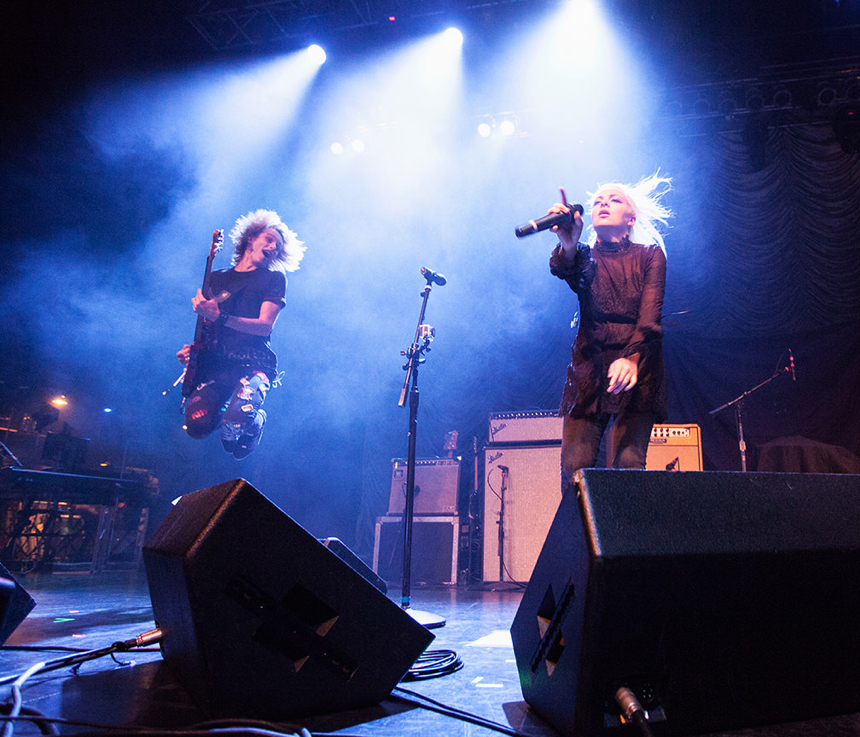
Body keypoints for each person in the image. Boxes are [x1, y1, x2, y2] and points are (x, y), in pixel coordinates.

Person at [547, 173, 672, 492]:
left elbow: (650, 316)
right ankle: (581, 540)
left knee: (628, 465)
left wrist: (631, 357)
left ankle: (626, 541)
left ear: (630, 218)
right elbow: (572, 273)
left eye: (614, 199)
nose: (603, 203)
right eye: (597, 201)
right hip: (591, 368)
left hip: (638, 366)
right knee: (575, 467)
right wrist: (569, 245)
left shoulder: (650, 255)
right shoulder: (587, 255)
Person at [176, 209, 305, 459]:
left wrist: (220, 316)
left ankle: (255, 421)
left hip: (252, 363)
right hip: (216, 363)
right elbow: (206, 327)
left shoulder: (274, 279)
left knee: (233, 428)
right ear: (251, 239)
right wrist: (191, 350)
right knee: (197, 425)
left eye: (277, 247)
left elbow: (264, 325)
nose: (272, 247)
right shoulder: (216, 278)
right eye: (268, 239)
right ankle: (233, 415)